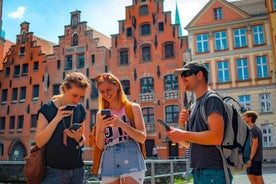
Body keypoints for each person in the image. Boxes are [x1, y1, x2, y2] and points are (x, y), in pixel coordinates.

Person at [167, 61, 233, 184]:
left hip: (213, 171)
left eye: (186, 74)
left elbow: (216, 137)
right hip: (200, 172)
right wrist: (179, 132)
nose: (182, 78)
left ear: (200, 75)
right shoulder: (196, 104)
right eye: (181, 76)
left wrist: (184, 134)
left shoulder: (211, 99)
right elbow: (189, 144)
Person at [36, 72, 90, 184]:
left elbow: (82, 140)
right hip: (53, 171)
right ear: (65, 89)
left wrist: (79, 138)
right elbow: (39, 142)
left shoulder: (80, 109)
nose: (77, 100)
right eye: (75, 95)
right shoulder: (47, 109)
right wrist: (57, 118)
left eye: (81, 97)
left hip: (77, 170)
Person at [95, 73, 146, 184]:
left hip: (131, 154)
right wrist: (101, 128)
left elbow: (142, 137)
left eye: (108, 89)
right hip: (109, 157)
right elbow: (100, 146)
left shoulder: (133, 108)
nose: (106, 94)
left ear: (117, 86)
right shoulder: (100, 115)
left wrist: (121, 124)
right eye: (102, 92)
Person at [243, 111, 265, 184]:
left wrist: (250, 159)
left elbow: (254, 145)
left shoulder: (253, 129)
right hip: (256, 158)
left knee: (256, 177)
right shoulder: (256, 128)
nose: (243, 118)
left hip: (254, 159)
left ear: (250, 118)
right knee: (252, 176)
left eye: (245, 116)